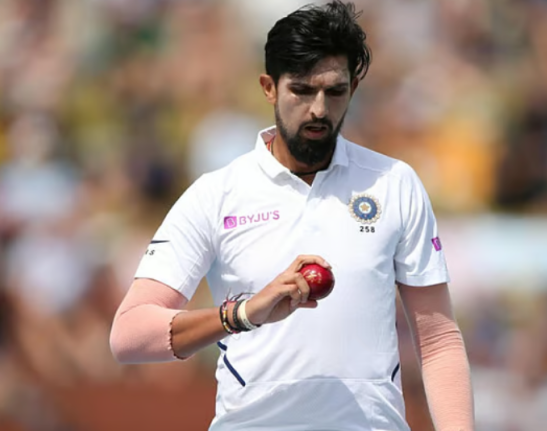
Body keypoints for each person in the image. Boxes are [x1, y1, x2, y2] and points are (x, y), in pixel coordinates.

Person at [109, 2, 475, 430]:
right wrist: (243, 313)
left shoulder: (394, 183)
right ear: (269, 87)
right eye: (301, 90)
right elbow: (129, 334)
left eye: (334, 92)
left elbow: (438, 339)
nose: (318, 109)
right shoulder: (217, 193)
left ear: (354, 88)